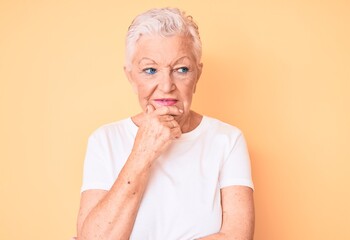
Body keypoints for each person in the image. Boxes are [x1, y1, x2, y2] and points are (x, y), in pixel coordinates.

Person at [75, 7, 254, 240]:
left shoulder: (227, 140)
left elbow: (237, 236)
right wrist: (143, 152)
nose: (166, 85)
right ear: (131, 76)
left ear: (197, 75)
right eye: (150, 70)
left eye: (181, 69)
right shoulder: (105, 140)